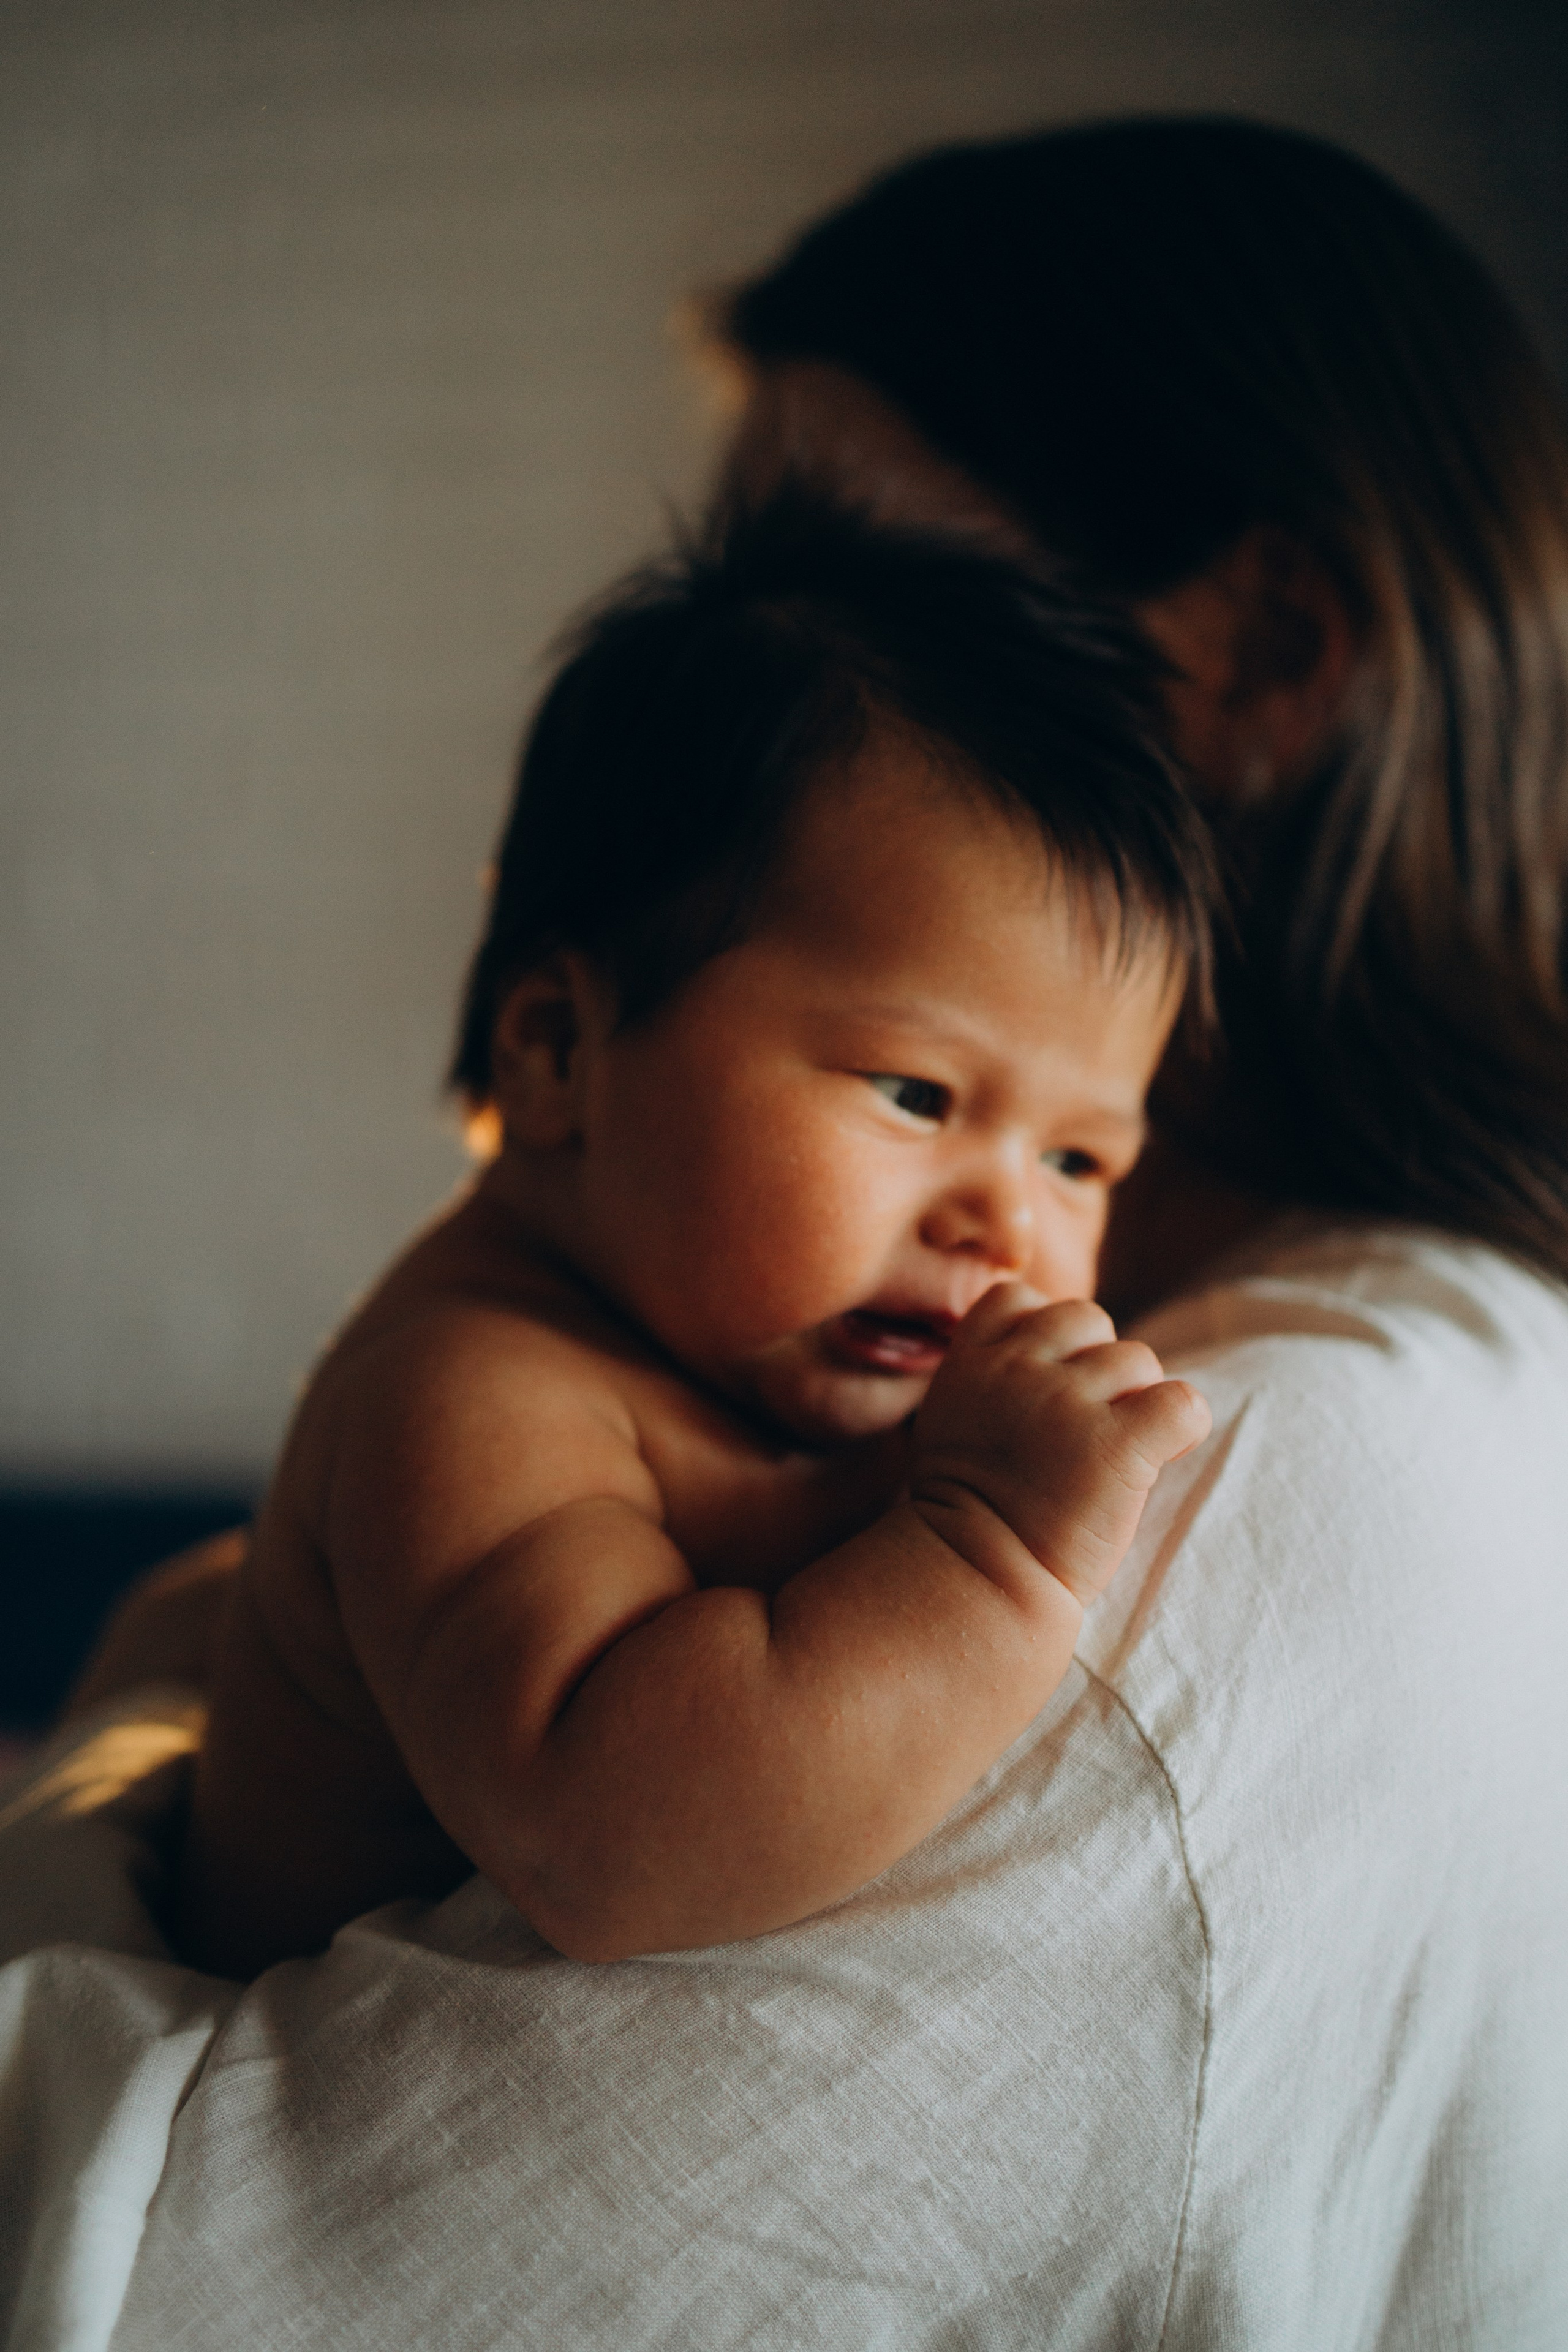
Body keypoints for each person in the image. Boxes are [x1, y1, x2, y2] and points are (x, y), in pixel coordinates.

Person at [3, 116, 1566, 2350]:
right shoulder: (638, 1366)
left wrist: (121, 1747)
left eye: (840, 554)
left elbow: (134, 2276)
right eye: (921, 1098)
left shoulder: (1264, 1495)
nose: (745, 678)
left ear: (1260, 651)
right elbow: (612, 1810)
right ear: (557, 1052)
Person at [179, 499, 1214, 1978]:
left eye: (1077, 1155)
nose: (1006, 1218)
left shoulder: (729, 1342)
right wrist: (982, 1546)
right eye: (916, 1093)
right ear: (555, 1054)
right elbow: (607, 1847)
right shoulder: (474, 1396)